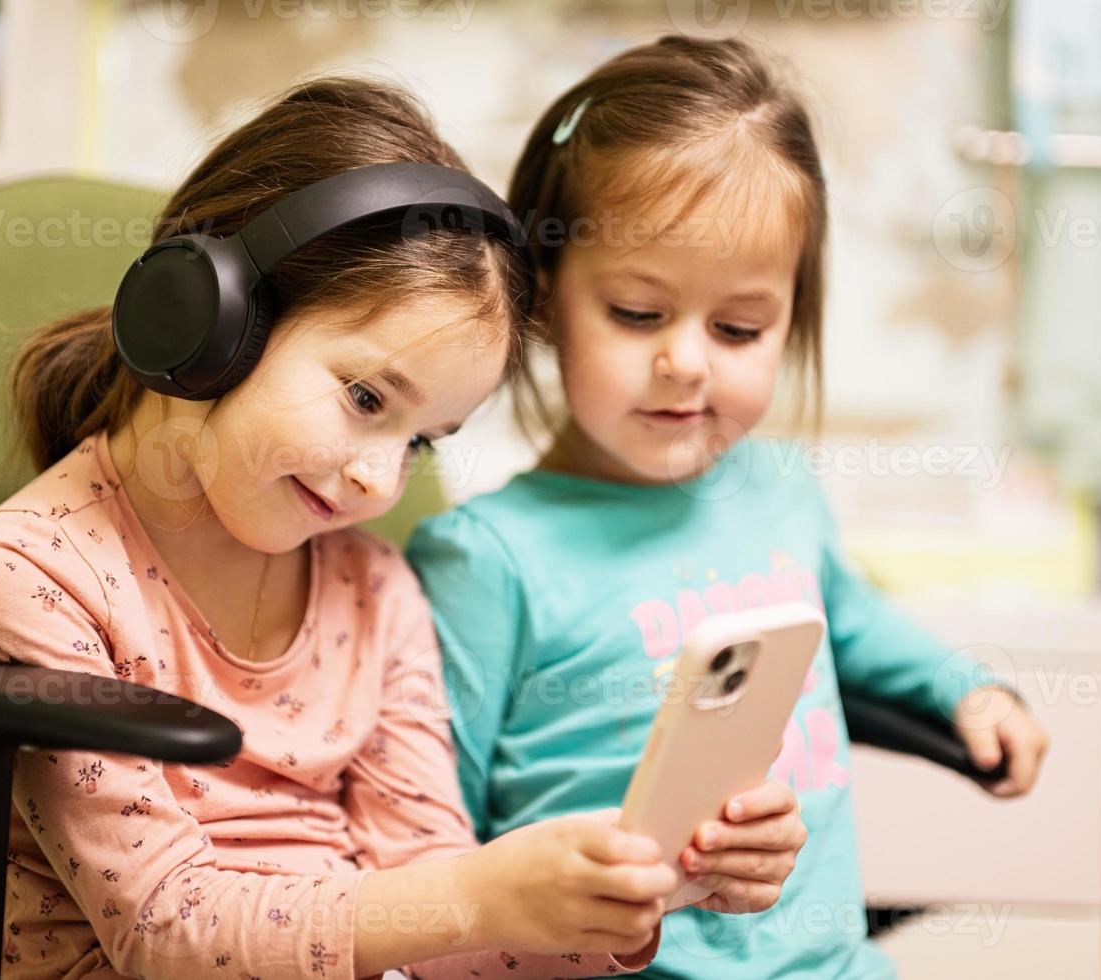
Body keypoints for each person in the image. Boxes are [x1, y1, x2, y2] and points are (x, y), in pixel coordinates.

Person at [0, 74, 807, 980]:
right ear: (209, 317)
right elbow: (164, 932)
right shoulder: (34, 577)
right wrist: (474, 896)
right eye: (364, 397)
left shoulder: (374, 591)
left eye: (421, 440)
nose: (380, 478)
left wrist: (638, 890)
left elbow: (432, 920)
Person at [406, 35, 1049, 979]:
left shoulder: (781, 490)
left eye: (740, 328)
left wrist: (965, 688)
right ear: (542, 299)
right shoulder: (486, 559)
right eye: (637, 313)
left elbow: (857, 623)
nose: (688, 362)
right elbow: (428, 843)